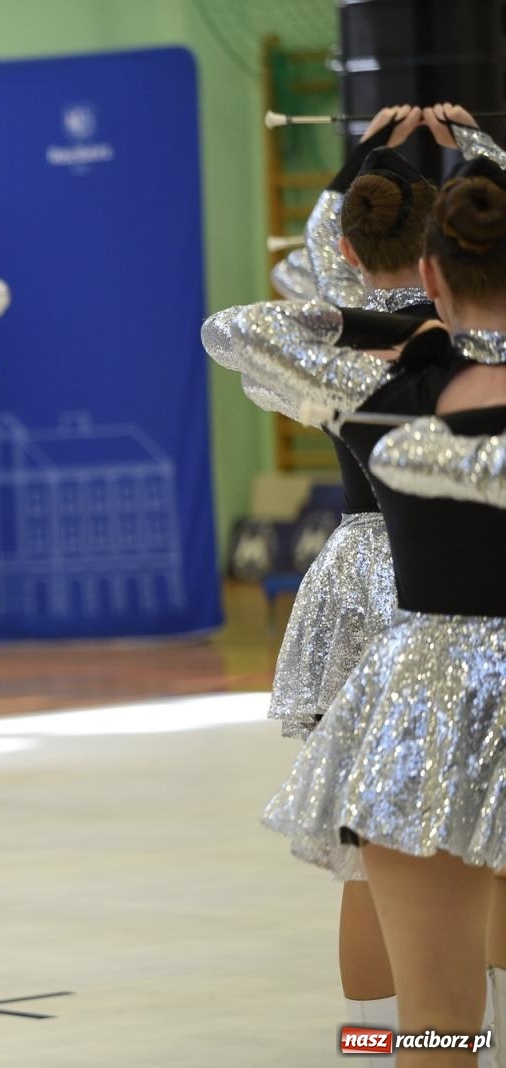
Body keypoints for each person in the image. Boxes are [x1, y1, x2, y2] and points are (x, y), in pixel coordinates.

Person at [237, 156, 506, 1063]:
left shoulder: (380, 392)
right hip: (418, 641)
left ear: (431, 274)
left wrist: (393, 325)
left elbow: (240, 329)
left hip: (423, 678)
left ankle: (382, 1039)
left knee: (431, 1023)